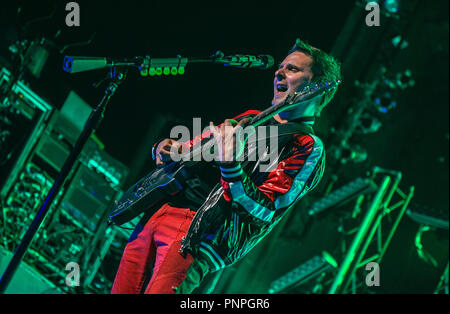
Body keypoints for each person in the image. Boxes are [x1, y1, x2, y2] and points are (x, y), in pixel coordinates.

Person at [111, 38, 342, 294]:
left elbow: (265, 210)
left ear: (317, 87)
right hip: (158, 212)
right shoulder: (250, 118)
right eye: (281, 66)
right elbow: (190, 149)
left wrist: (231, 166)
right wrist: (165, 148)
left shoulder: (307, 145)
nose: (279, 72)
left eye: (293, 69)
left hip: (196, 234)